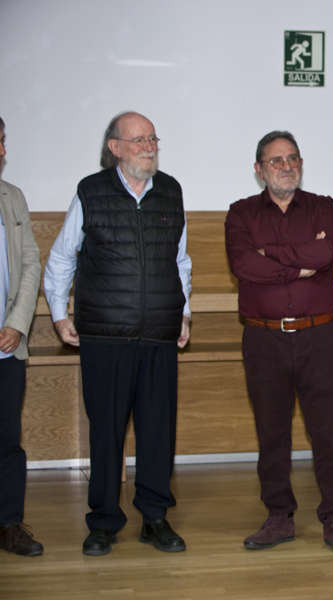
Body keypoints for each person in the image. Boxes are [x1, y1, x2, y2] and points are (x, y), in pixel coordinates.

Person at [43, 111, 192, 556]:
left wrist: (183, 313)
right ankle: (104, 521)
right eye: (139, 139)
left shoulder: (171, 191)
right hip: (105, 336)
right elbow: (62, 258)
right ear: (115, 148)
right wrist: (57, 312)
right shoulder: (91, 191)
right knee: (106, 432)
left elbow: (179, 261)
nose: (149, 146)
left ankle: (155, 517)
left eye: (152, 138)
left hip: (159, 334)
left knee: (157, 431)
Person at [225, 131, 333, 557]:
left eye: (293, 158)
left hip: (318, 335)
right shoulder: (240, 213)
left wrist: (273, 257)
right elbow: (243, 264)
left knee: (328, 434)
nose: (286, 166)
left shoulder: (325, 208)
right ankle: (278, 517)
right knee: (272, 433)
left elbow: (325, 254)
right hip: (263, 338)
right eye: (276, 160)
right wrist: (298, 264)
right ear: (259, 169)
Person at [0, 116, 43, 557]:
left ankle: (9, 523)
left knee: (7, 440)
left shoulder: (12, 198)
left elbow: (30, 263)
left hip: (7, 345)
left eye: (1, 143)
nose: (0, 152)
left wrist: (16, 322)